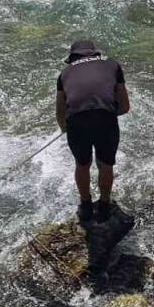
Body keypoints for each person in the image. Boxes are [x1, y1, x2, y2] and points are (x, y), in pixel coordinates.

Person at [56, 39, 130, 222]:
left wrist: (65, 128)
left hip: (76, 120)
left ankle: (86, 205)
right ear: (95, 53)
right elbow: (125, 106)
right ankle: (104, 205)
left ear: (73, 57)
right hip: (105, 117)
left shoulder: (64, 74)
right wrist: (106, 114)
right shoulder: (112, 65)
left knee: (82, 164)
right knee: (106, 164)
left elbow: (60, 112)